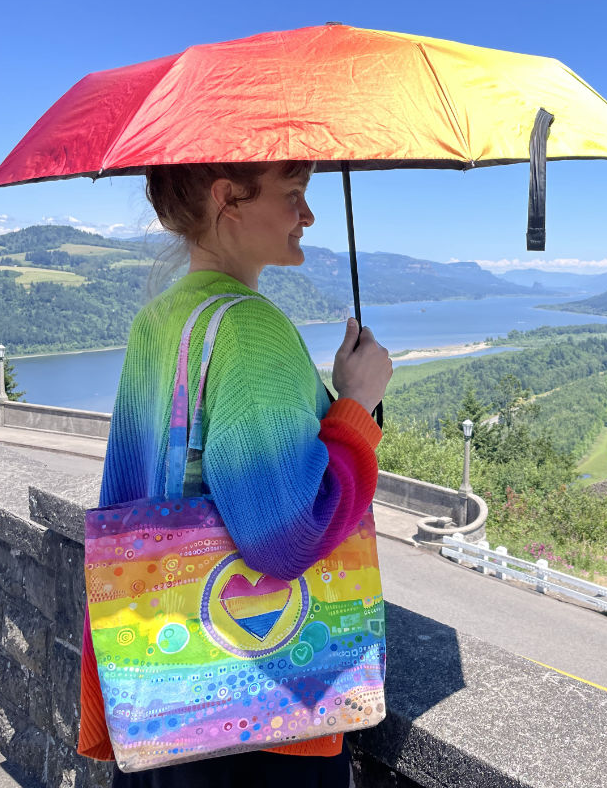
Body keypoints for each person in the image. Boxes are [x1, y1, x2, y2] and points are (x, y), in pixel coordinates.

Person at [77, 160, 392, 788]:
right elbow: (286, 535)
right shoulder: (249, 328)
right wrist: (357, 402)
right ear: (229, 199)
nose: (308, 216)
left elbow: (133, 500)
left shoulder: (159, 320)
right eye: (295, 195)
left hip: (159, 685)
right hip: (255, 724)